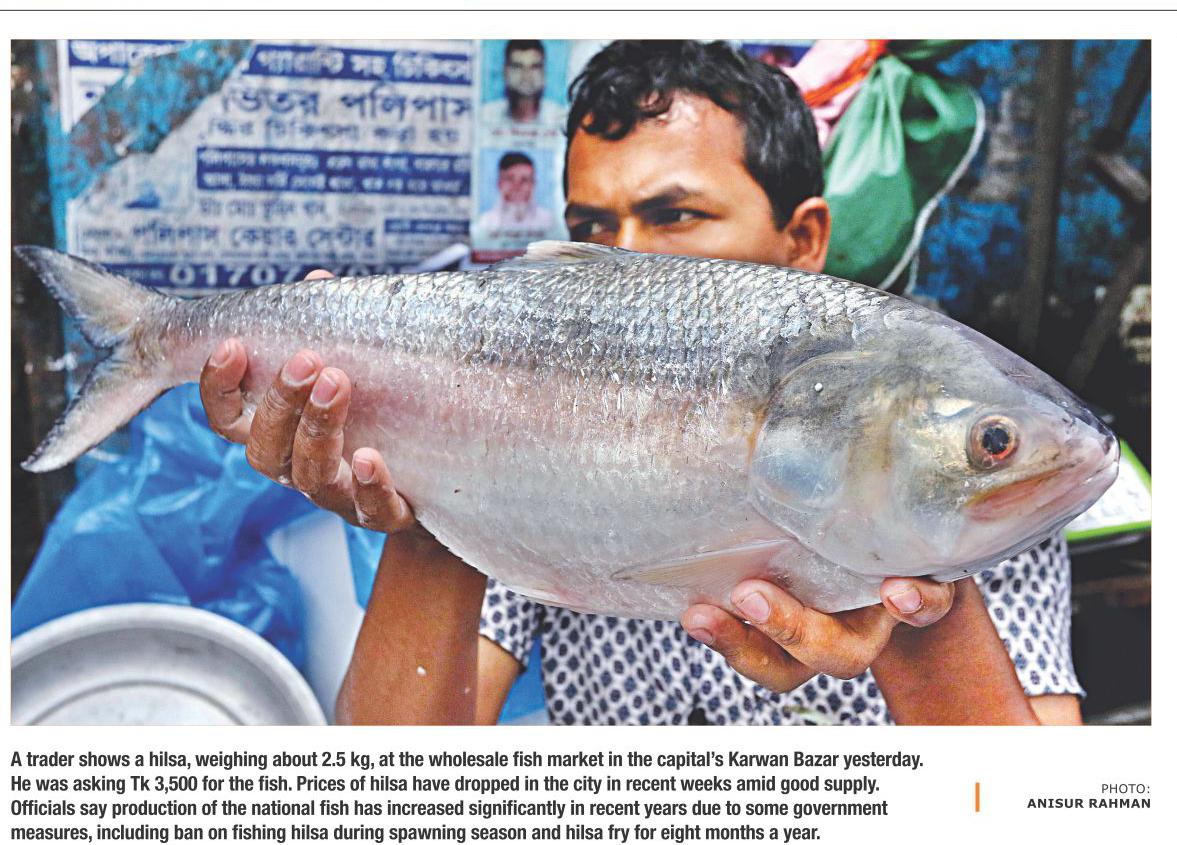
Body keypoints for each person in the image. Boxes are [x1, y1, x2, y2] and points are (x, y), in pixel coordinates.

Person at [199, 40, 1079, 726]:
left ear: (804, 240)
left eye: (675, 215)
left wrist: (920, 614)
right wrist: (428, 493)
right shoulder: (533, 448)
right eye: (592, 229)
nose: (628, 263)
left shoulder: (985, 496)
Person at [470, 151, 559, 244]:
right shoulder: (485, 222)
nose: (517, 187)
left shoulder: (548, 221)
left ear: (533, 184)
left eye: (524, 180)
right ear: (499, 184)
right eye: (509, 179)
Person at [483, 39, 565, 125]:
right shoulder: (484, 117)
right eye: (518, 66)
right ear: (505, 72)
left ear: (543, 73)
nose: (526, 76)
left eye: (534, 67)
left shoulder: (560, 119)